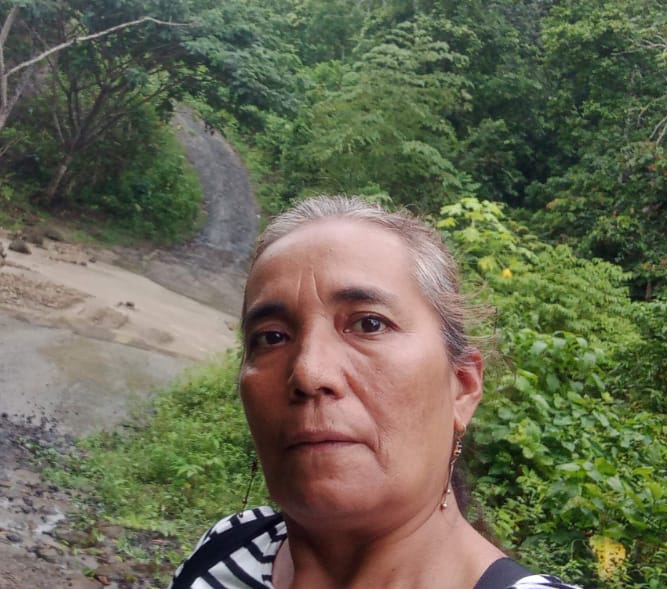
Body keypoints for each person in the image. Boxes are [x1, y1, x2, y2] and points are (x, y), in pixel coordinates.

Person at [170, 196, 577, 589]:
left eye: (369, 324)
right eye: (272, 337)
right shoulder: (225, 546)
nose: (309, 373)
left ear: (462, 386)